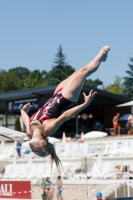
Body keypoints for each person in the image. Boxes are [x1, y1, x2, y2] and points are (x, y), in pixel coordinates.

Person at [21, 46, 110, 170]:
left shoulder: (29, 131)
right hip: (67, 98)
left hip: (56, 94)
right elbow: (65, 116)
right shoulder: (47, 129)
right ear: (43, 143)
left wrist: (22, 111)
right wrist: (85, 104)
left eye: (34, 152)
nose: (33, 150)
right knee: (84, 71)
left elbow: (25, 118)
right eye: (37, 150)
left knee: (78, 72)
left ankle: (102, 58)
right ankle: (103, 53)